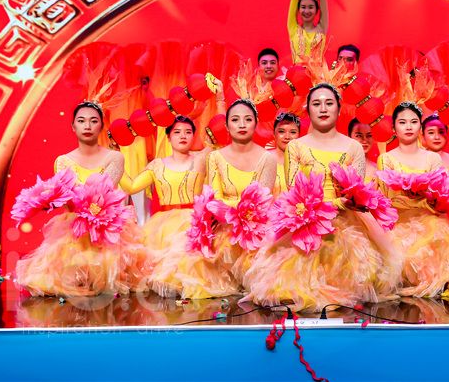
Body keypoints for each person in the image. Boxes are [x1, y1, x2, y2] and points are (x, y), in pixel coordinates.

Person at [244, 83, 401, 311]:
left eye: (329, 103)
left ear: (339, 108)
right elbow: (296, 192)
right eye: (317, 104)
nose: (323, 108)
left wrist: (343, 203)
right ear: (308, 109)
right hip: (307, 222)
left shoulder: (353, 147)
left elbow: (355, 190)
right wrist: (332, 204)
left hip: (346, 222)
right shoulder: (296, 146)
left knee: (357, 275)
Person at [16, 102, 150, 296]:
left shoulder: (115, 157)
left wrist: (80, 200)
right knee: (67, 277)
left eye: (93, 121)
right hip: (74, 227)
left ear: (101, 126)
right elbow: (68, 197)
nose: (87, 126)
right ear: (73, 126)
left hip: (105, 224)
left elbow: (103, 192)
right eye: (81, 121)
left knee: (109, 274)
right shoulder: (63, 160)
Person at [150, 99, 276, 299]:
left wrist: (238, 214)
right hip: (224, 224)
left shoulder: (268, 158)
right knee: (196, 262)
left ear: (256, 123)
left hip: (255, 227)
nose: (242, 124)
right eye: (235, 120)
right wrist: (227, 214)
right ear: (227, 125)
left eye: (247, 119)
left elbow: (263, 199)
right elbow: (215, 197)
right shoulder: (216, 157)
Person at [377, 102, 449, 297]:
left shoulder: (432, 159)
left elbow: (439, 194)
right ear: (394, 128)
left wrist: (426, 199)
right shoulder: (387, 159)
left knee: (447, 240)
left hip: (429, 218)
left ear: (420, 126)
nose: (408, 127)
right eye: (402, 122)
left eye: (413, 122)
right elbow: (388, 199)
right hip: (400, 221)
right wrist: (416, 198)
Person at [119, 116, 205, 253]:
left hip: (194, 224)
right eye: (177, 132)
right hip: (165, 227)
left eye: (188, 132)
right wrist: (116, 161)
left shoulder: (203, 160)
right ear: (168, 137)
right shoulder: (157, 165)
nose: (183, 136)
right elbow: (131, 187)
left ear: (194, 136)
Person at [288, 0, 328, 64]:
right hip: (296, 71)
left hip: (318, 72)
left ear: (317, 10)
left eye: (310, 7)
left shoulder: (321, 29)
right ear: (298, 9)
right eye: (303, 7)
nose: (306, 11)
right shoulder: (293, 29)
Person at [272, 112, 301, 195]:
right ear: (274, 134)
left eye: (293, 132)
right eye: (281, 131)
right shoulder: (264, 159)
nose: (287, 137)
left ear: (299, 135)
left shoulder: (305, 161)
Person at [348, 118, 377, 182]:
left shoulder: (379, 170)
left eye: (369, 135)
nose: (364, 140)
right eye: (358, 136)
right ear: (349, 137)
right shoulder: (341, 166)